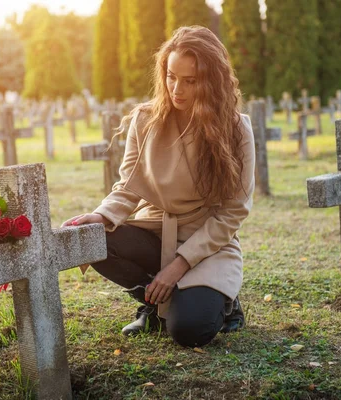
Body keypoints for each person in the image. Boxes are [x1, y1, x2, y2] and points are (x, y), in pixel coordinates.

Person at [62, 26, 255, 348]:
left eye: (190, 81)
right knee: (91, 239)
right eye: (170, 76)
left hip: (205, 240)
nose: (176, 89)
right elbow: (128, 186)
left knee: (190, 331)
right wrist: (100, 216)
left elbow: (233, 211)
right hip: (153, 229)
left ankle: (225, 302)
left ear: (211, 81)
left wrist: (179, 265)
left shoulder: (236, 129)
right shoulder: (145, 119)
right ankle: (154, 304)